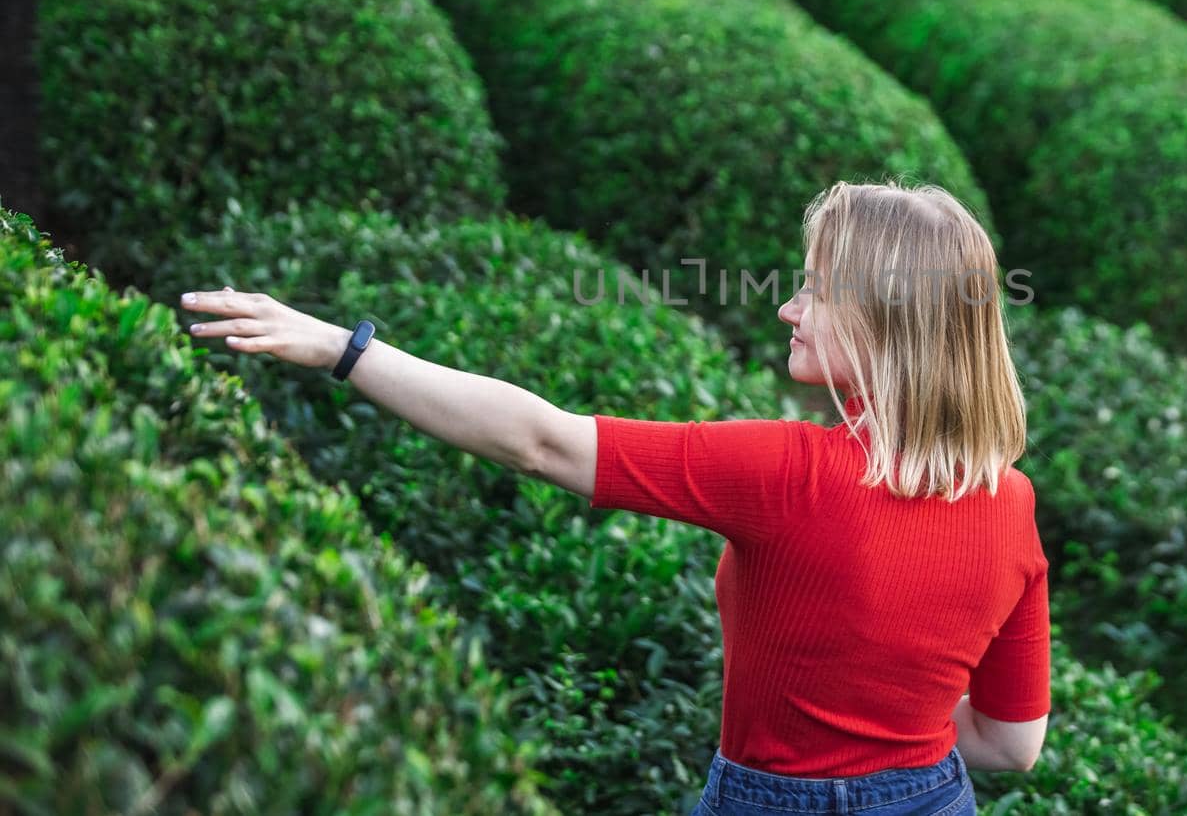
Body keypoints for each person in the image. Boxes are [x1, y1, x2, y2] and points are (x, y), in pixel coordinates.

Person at [179, 179, 1052, 815]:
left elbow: (539, 438)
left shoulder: (787, 472)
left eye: (816, 289)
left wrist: (342, 346)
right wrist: (894, 743)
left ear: (885, 317)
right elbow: (1012, 744)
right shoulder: (1012, 503)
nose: (788, 307)